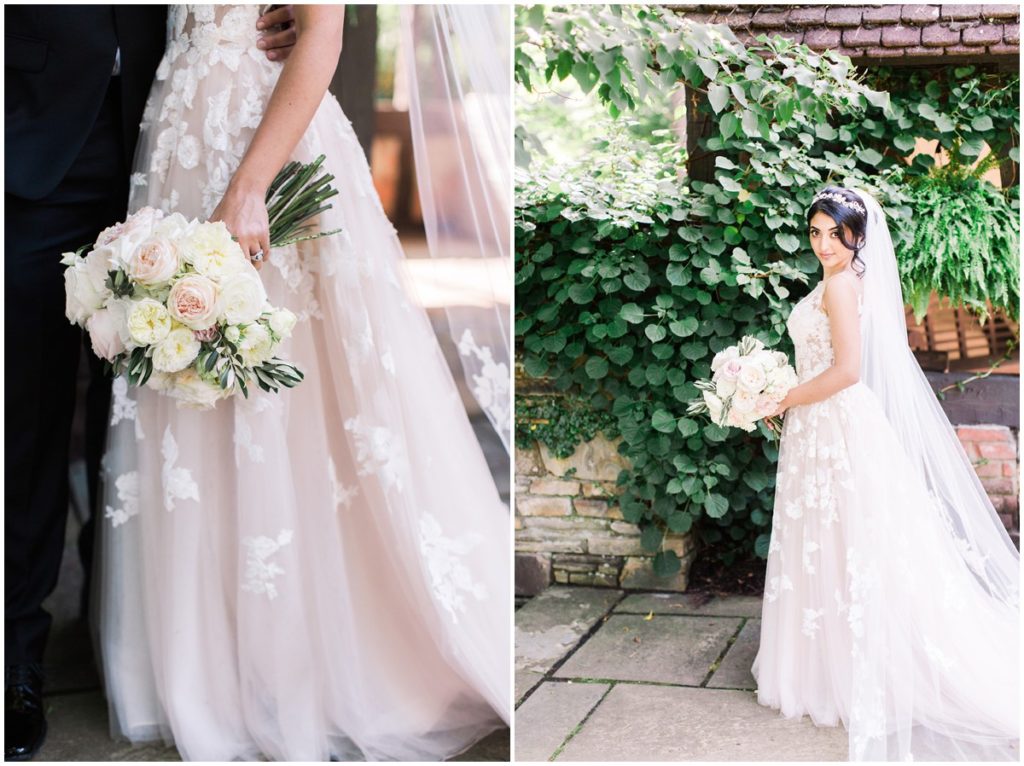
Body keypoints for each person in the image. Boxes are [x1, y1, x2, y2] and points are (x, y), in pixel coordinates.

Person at [96, 6, 510, 761]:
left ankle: (312, 658)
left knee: (290, 391)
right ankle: (217, 657)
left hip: (266, 142)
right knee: (197, 386)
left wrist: (250, 188)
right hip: (179, 132)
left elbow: (322, 29)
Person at [3, 6, 294, 760]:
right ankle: (14, 661)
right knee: (24, 414)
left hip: (171, 140)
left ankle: (124, 634)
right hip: (27, 135)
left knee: (145, 407)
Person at [752, 186, 1019, 760]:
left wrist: (781, 398)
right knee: (829, 542)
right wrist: (783, 397)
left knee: (848, 543)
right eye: (816, 232)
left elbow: (847, 371)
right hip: (817, 425)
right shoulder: (837, 281)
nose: (825, 244)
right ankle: (824, 665)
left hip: (835, 425)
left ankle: (848, 671)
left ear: (857, 235)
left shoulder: (844, 285)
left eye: (835, 233)